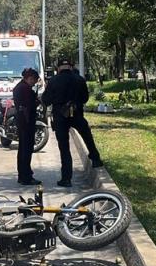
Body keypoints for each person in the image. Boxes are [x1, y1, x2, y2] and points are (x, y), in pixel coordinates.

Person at [41, 56, 103, 188]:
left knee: (64, 148)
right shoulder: (79, 79)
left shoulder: (54, 81)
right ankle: (96, 159)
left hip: (60, 117)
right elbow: (85, 98)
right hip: (77, 114)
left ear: (58, 68)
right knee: (87, 135)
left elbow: (46, 100)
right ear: (70, 66)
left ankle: (66, 178)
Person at [13, 67, 40, 185]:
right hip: (26, 123)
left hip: (22, 121)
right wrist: (37, 100)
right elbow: (30, 105)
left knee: (23, 149)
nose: (34, 83)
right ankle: (26, 176)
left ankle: (23, 174)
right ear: (29, 78)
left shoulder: (20, 87)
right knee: (26, 150)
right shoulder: (25, 89)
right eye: (34, 80)